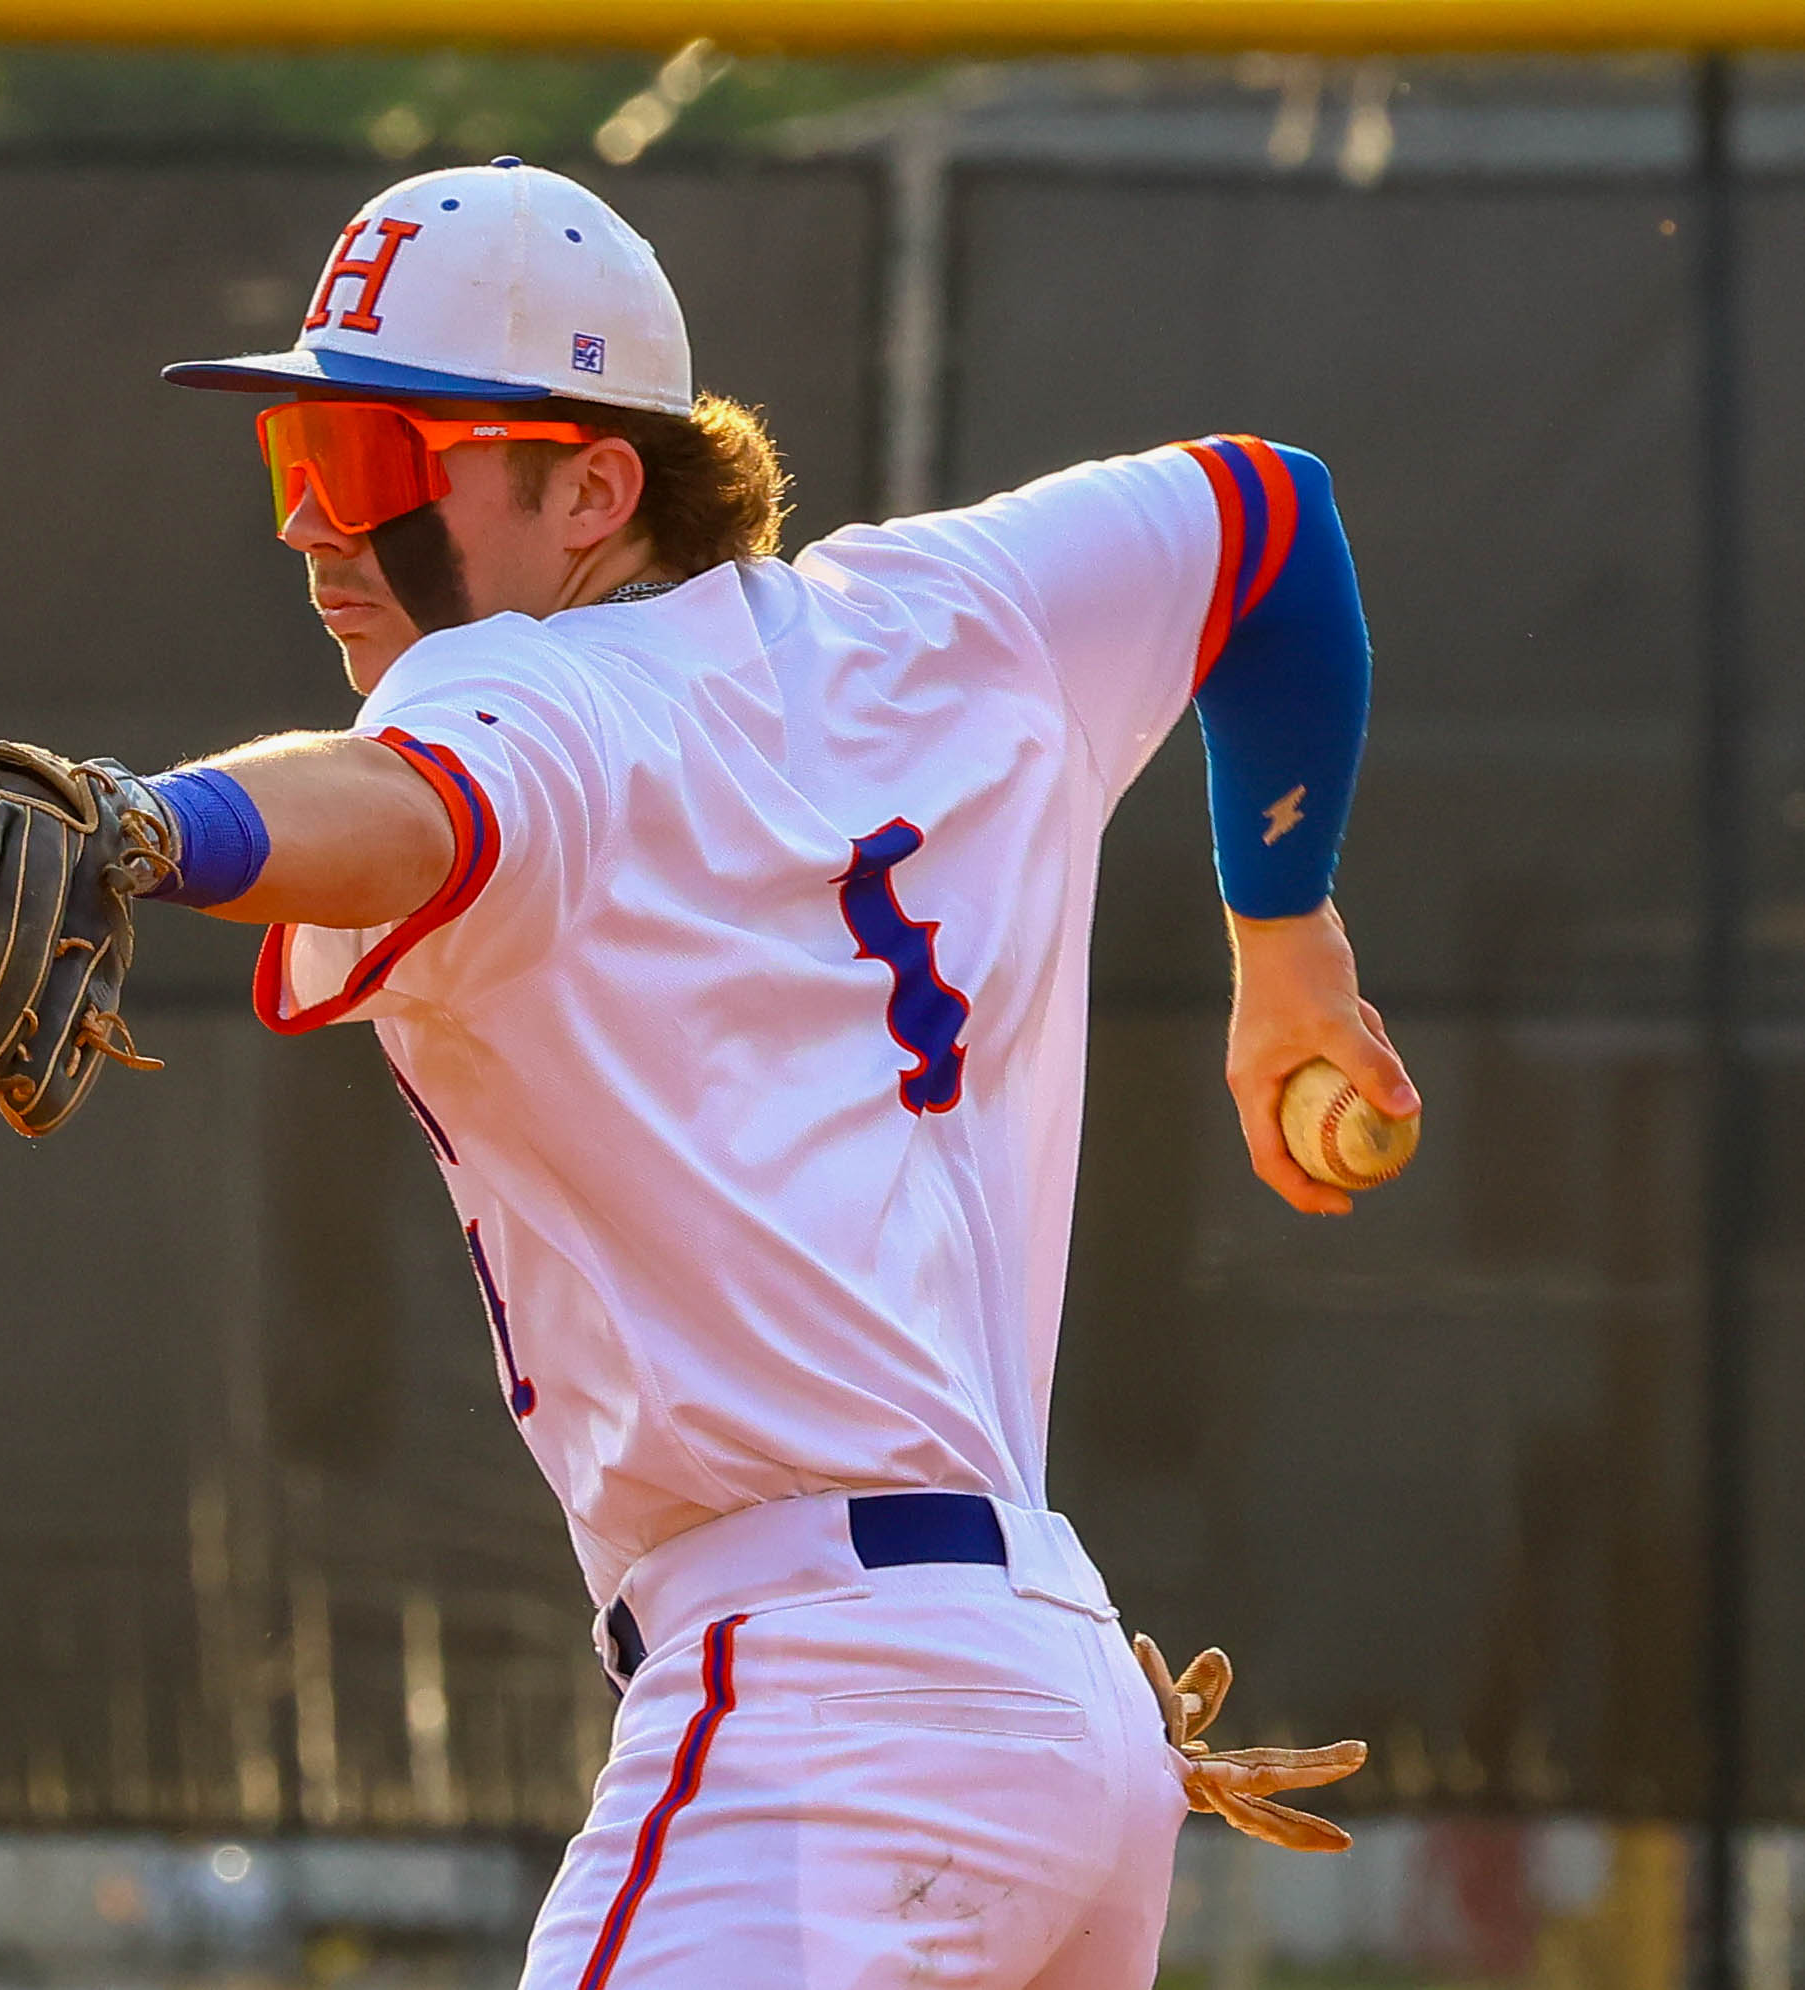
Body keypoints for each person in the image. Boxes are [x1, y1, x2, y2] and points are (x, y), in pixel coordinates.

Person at [137, 158, 1410, 1989]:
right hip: (1047, 1682)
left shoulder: (527, 691)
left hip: (823, 1710)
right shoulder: (944, 615)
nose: (310, 526)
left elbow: (407, 810)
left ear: (591, 487)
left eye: (368, 463)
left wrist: (137, 823)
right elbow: (1264, 528)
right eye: (293, 464)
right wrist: (1284, 941)